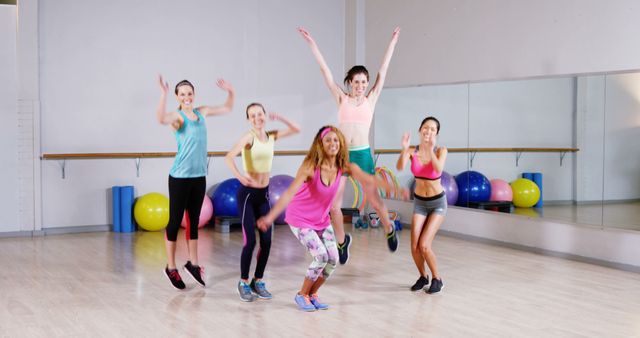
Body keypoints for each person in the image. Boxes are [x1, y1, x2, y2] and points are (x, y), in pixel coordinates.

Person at [257, 126, 395, 311]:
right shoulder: (310, 166)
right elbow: (289, 194)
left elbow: (367, 179)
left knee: (333, 258)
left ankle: (312, 294)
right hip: (301, 219)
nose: (333, 143)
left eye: (336, 140)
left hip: (321, 220)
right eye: (328, 140)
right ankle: (301, 295)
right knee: (321, 256)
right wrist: (269, 218)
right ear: (320, 144)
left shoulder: (343, 166)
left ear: (341, 144)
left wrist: (392, 187)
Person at [298, 26, 400, 264]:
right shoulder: (341, 98)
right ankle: (342, 242)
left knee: (375, 200)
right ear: (350, 82)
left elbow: (383, 72)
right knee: (334, 206)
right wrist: (312, 43)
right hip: (340, 157)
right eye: (356, 82)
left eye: (364, 82)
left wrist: (392, 41)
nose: (361, 86)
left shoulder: (371, 98)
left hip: (362, 155)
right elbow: (324, 71)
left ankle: (389, 228)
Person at [156, 75, 234, 290]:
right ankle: (171, 267)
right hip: (179, 177)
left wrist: (230, 91)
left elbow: (227, 108)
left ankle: (193, 264)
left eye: (190, 93)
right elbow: (160, 118)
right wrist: (162, 94)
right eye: (182, 94)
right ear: (177, 97)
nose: (187, 97)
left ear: (194, 95)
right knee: (174, 222)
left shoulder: (202, 112)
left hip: (199, 177)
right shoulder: (178, 118)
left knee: (194, 222)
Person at [225, 103, 300, 302]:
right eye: (252, 115)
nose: (257, 118)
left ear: (265, 116)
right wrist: (240, 177)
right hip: (248, 195)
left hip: (264, 195)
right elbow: (229, 157)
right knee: (250, 241)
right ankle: (242, 282)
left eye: (260, 114)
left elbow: (296, 129)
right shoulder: (248, 137)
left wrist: (281, 118)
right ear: (248, 119)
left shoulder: (272, 135)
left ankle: (257, 281)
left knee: (266, 242)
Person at [396, 116, 447, 294]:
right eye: (426, 128)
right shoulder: (412, 151)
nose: (428, 131)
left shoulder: (441, 150)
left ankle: (437, 278)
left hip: (438, 203)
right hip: (419, 202)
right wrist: (404, 150)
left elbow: (439, 168)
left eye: (433, 129)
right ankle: (422, 276)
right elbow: (400, 166)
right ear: (420, 130)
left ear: (437, 134)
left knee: (424, 245)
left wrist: (430, 149)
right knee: (414, 247)